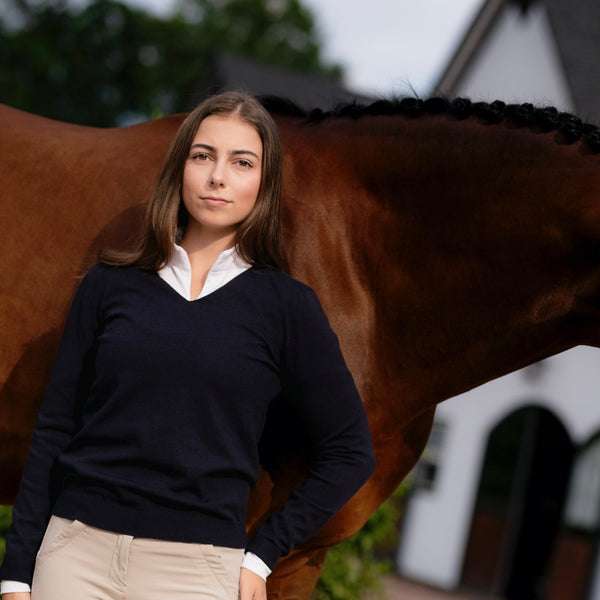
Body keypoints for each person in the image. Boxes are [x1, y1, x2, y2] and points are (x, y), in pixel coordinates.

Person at [0, 91, 376, 600]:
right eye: (203, 156)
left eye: (242, 162)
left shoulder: (287, 307)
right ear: (181, 167)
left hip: (197, 575)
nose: (218, 176)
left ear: (264, 183)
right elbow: (55, 429)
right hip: (74, 559)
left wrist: (263, 556)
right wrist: (16, 572)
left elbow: (351, 452)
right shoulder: (109, 284)